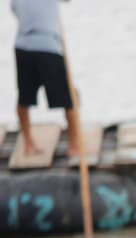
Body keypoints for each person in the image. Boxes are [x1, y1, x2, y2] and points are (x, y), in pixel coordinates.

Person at [10, 0, 80, 157]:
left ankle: (28, 143)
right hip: (47, 46)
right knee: (69, 98)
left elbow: (15, 10)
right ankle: (74, 146)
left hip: (23, 45)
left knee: (24, 97)